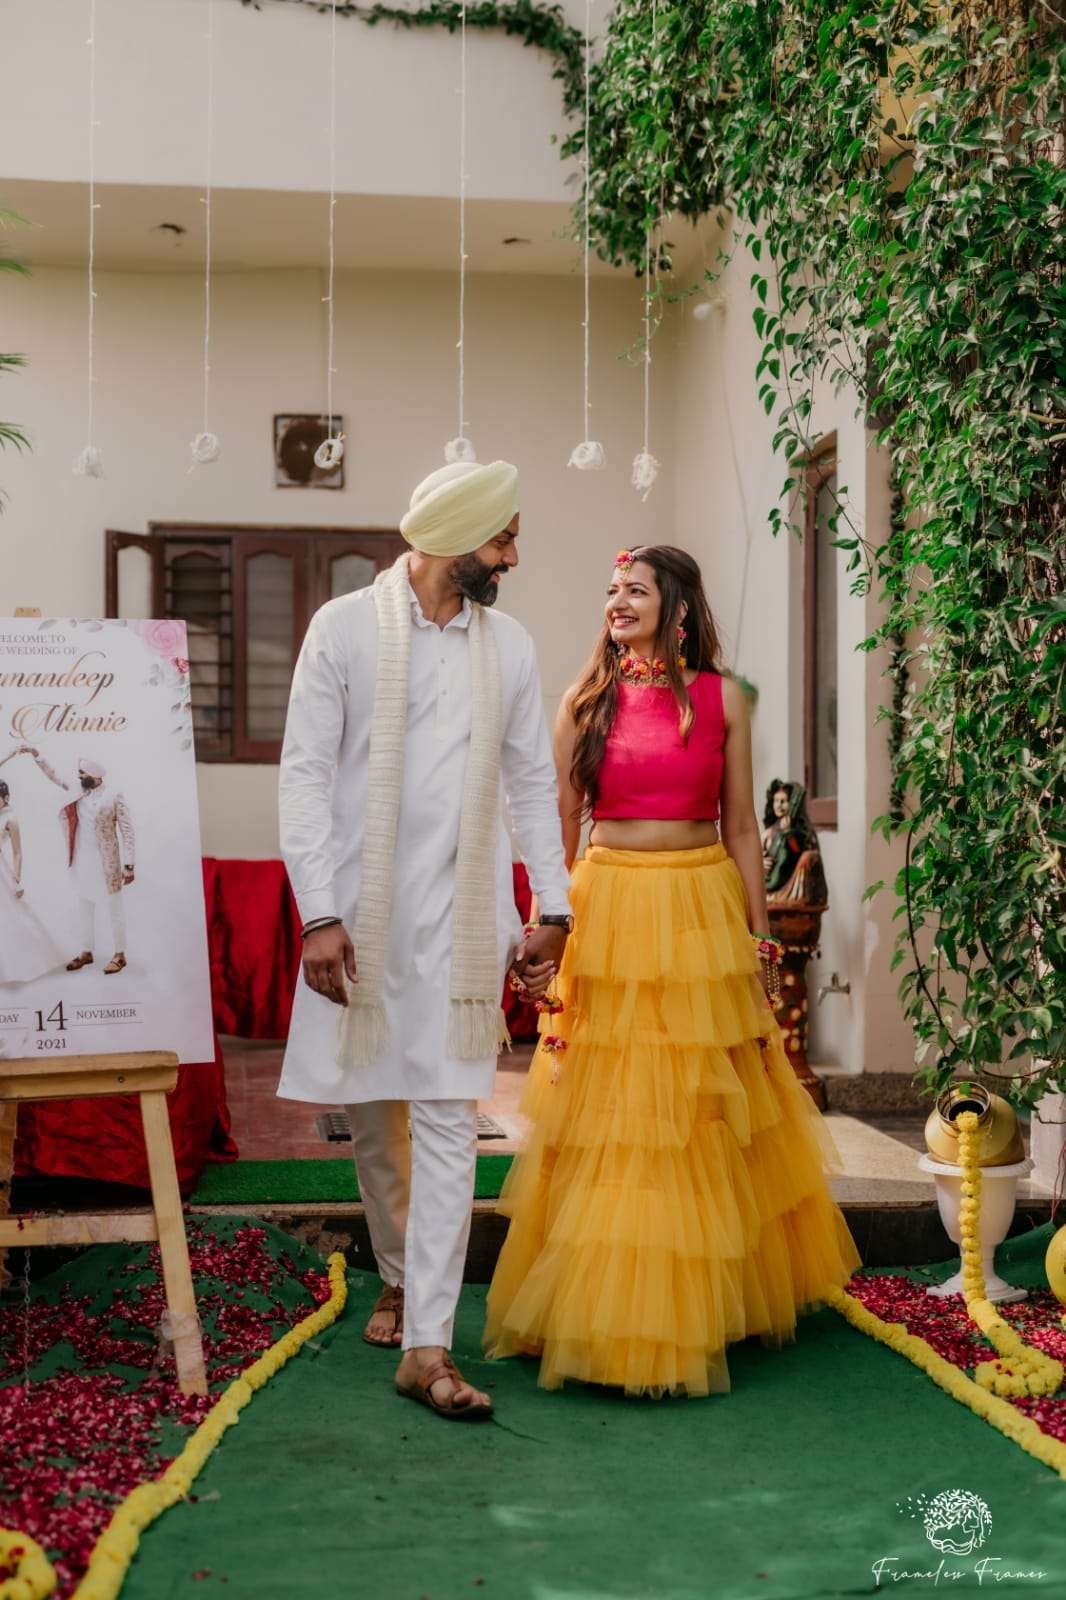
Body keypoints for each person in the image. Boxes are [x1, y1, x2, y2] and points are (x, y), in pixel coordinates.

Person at [484, 544, 861, 1397]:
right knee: (614, 1110)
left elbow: (740, 825)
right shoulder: (584, 701)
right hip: (609, 905)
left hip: (699, 903)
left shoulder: (722, 699)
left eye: (637, 590)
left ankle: (709, 1300)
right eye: (611, 589)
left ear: (677, 606)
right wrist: (548, 928)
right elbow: (559, 826)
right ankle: (602, 1302)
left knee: (698, 1106)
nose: (617, 602)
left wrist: (760, 939)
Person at [277, 458, 572, 1421]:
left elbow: (531, 783)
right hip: (362, 922)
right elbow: (304, 776)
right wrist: (318, 913)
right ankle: (401, 1277)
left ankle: (428, 1343)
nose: (513, 557)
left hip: (462, 923)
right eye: (503, 538)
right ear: (452, 538)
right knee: (375, 1118)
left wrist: (554, 907)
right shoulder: (343, 629)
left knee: (449, 1121)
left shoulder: (509, 645)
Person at [21, 749, 136, 975]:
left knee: (114, 909)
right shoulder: (78, 792)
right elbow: (54, 776)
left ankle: (120, 954)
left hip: (108, 864)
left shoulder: (113, 795)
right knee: (84, 908)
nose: (79, 777)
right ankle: (86, 951)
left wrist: (129, 864)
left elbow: (127, 830)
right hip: (82, 861)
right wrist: (36, 755)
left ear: (96, 775)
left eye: (83, 773)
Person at [0, 775, 64, 985]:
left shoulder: (10, 819)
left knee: (12, 918)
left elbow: (17, 852)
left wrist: (17, 879)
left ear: (6, 797)